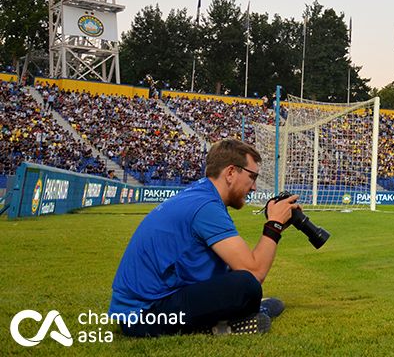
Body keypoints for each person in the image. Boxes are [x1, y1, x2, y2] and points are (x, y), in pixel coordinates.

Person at [109, 139, 300, 336]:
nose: (254, 188)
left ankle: (238, 313)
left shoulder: (201, 195)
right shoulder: (206, 206)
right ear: (231, 173)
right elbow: (254, 273)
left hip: (144, 308)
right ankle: (221, 324)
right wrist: (274, 224)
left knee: (237, 281)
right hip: (145, 316)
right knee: (246, 286)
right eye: (252, 177)